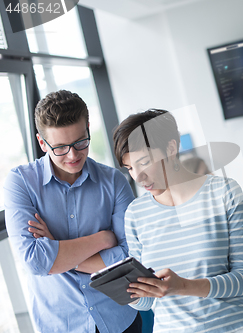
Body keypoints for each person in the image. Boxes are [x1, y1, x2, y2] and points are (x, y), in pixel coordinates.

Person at [3, 90, 141, 332]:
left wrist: (56, 248)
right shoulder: (20, 182)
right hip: (60, 323)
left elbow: (130, 258)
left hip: (119, 319)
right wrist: (103, 239)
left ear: (88, 128)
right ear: (42, 143)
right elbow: (35, 262)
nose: (73, 155)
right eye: (60, 148)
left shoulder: (115, 182)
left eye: (80, 142)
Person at [112, 109, 243, 332]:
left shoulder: (224, 193)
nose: (138, 177)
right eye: (130, 168)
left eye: (144, 163)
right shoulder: (135, 214)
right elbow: (148, 302)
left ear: (171, 148)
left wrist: (183, 286)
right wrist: (128, 293)